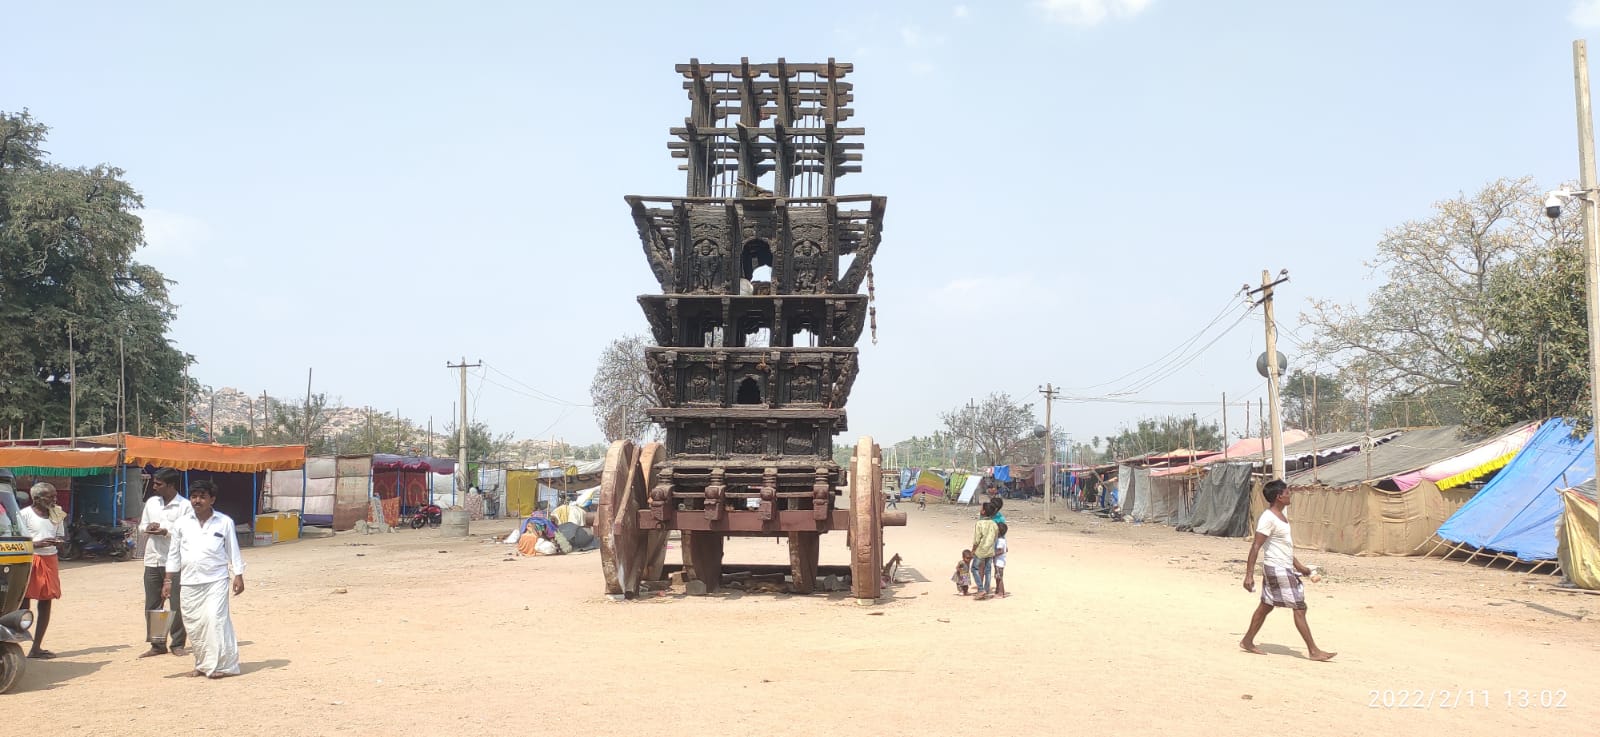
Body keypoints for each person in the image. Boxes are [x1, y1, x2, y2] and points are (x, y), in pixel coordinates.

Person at [1240, 480, 1335, 662]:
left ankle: (1247, 640)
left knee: (1266, 606)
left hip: (1282, 567)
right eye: (1287, 492)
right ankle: (1314, 651)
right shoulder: (1268, 518)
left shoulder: (1281, 516)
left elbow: (1284, 547)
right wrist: (1249, 574)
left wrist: (1300, 567)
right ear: (1278, 497)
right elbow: (1256, 546)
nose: (1289, 494)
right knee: (1299, 607)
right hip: (1277, 568)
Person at [163, 480, 246, 678]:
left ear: (212, 499)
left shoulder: (224, 521)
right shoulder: (182, 523)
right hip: (189, 581)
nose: (197, 501)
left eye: (202, 497)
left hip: (216, 580)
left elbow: (232, 550)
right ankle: (202, 664)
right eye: (194, 497)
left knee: (215, 620)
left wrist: (238, 575)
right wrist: (168, 580)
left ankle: (223, 666)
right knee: (195, 624)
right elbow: (174, 554)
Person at [139, 468, 194, 658]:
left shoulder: (185, 506)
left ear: (170, 485)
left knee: (177, 604)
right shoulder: (152, 503)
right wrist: (148, 527)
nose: (154, 487)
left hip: (176, 562)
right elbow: (141, 526)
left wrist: (165, 531)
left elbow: (187, 531)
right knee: (153, 604)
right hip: (152, 559)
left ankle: (178, 643)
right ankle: (157, 643)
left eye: (158, 484)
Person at [17, 482, 66, 659]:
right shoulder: (24, 515)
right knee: (24, 603)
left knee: (46, 601)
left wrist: (58, 541)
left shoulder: (57, 513)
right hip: (31, 560)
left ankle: (36, 647)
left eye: (55, 496)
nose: (54, 500)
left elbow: (61, 535)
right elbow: (18, 541)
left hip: (50, 559)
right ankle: (16, 645)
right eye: (50, 497)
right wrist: (37, 543)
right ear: (36, 499)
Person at [971, 502, 999, 601]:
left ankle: (981, 589)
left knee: (974, 569)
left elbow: (976, 540)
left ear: (983, 511)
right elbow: (995, 537)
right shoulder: (994, 524)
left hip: (981, 550)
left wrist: (973, 550)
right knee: (988, 571)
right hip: (990, 550)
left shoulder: (979, 523)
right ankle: (986, 591)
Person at [994, 522, 1009, 598]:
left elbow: (1001, 550)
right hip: (1001, 562)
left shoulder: (1000, 540)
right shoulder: (1003, 540)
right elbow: (1006, 549)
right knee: (997, 577)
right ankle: (999, 590)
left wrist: (993, 554)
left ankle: (1000, 593)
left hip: (999, 562)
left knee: (999, 578)